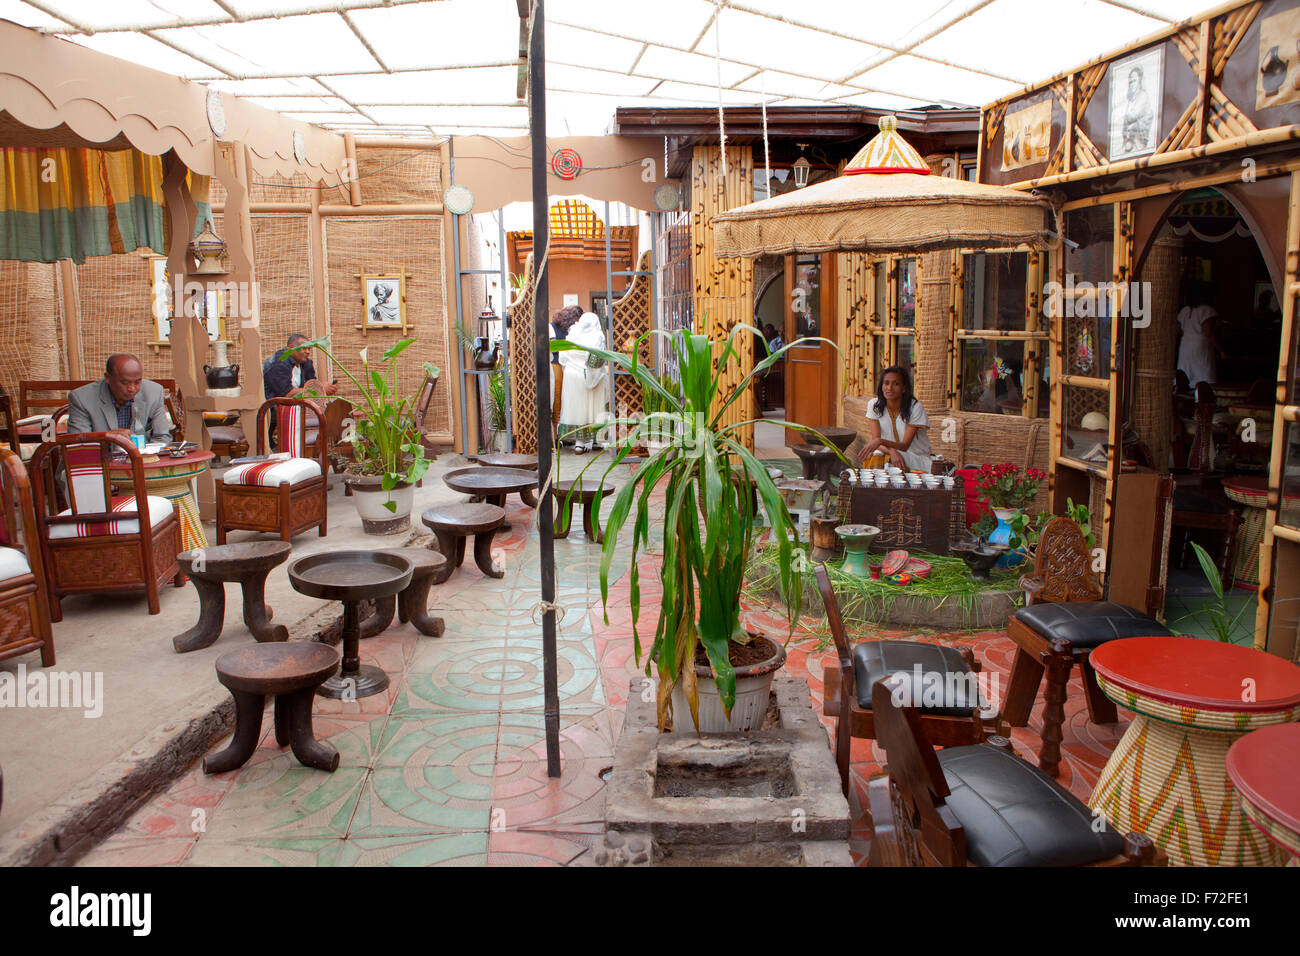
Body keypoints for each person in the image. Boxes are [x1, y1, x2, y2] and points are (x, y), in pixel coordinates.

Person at [67, 354, 171, 440]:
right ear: (107, 378)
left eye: (137, 382)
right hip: (98, 462)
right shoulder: (81, 398)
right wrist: (106, 438)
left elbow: (162, 437)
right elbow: (79, 444)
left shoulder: (154, 392)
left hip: (141, 461)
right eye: (124, 382)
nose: (132, 388)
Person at [860, 364, 931, 472]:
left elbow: (904, 446)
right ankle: (877, 489)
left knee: (887, 461)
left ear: (904, 388)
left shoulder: (915, 407)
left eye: (896, 384)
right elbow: (877, 444)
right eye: (886, 383)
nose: (889, 388)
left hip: (915, 457)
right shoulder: (874, 405)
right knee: (877, 455)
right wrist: (891, 450)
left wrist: (880, 441)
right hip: (891, 454)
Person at [558, 312, 611, 452]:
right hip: (590, 374)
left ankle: (579, 443)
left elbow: (563, 357)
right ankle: (598, 440)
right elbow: (598, 357)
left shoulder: (573, 333)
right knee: (594, 407)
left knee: (576, 408)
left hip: (571, 375)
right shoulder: (597, 335)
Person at [263, 333, 340, 401]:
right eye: (304, 348)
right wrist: (320, 389)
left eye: (309, 348)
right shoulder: (279, 362)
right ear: (291, 348)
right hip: (278, 410)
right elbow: (287, 394)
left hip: (300, 408)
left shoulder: (306, 363)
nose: (308, 352)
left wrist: (326, 389)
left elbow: (311, 385)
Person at [1175, 283, 1222, 388]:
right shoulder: (1207, 311)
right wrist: (1221, 350)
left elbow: (1177, 330)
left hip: (1185, 346)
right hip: (1200, 346)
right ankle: (1201, 397)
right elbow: (1208, 332)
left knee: (1186, 376)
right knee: (1204, 376)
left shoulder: (1185, 310)